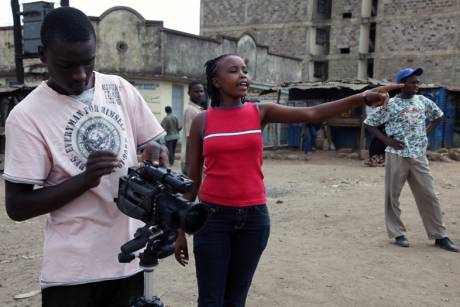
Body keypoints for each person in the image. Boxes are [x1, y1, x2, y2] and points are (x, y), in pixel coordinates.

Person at [173, 54, 402, 307]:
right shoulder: (202, 121)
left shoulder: (259, 112)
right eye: (233, 70)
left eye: (245, 70)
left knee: (236, 300)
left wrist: (361, 97)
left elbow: (313, 113)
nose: (243, 76)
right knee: (210, 300)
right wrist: (180, 230)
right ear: (216, 81)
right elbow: (191, 179)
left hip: (254, 220)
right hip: (213, 219)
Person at [3, 7, 168, 307]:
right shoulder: (26, 116)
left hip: (129, 261)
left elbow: (154, 141)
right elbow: (17, 206)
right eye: (67, 65)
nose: (80, 75)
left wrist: (158, 149)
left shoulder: (119, 89)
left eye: (88, 63)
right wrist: (85, 180)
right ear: (42, 55)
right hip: (73, 274)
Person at [364, 67, 459, 252]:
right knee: (392, 196)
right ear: (402, 84)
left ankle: (440, 235)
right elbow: (369, 123)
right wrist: (386, 140)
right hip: (396, 155)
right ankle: (397, 233)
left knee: (429, 195)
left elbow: (438, 116)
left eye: (418, 82)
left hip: (418, 155)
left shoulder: (423, 101)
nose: (417, 85)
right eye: (413, 82)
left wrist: (426, 132)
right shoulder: (390, 104)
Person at [181, 80, 205, 174]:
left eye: (201, 91)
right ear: (189, 93)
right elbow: (190, 137)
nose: (199, 94)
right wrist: (188, 164)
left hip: (197, 159)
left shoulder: (198, 110)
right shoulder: (191, 111)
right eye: (196, 91)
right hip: (192, 161)